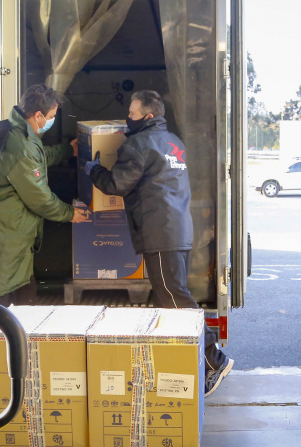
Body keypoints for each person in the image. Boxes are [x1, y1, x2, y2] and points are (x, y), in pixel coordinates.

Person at [84, 90, 234, 396]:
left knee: (175, 299)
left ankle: (213, 360)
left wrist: (93, 169)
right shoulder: (173, 142)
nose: (129, 116)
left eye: (133, 113)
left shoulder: (138, 144)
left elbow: (116, 185)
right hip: (177, 229)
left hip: (160, 232)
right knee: (170, 297)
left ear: (148, 116)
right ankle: (190, 361)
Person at [0, 84, 87, 397]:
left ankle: (17, 370)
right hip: (2, 241)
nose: (52, 122)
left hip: (12, 237)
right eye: (52, 117)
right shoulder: (18, 144)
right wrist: (71, 214)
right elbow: (40, 199)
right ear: (38, 115)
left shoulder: (19, 133)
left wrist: (66, 151)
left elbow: (38, 156)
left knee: (24, 302)